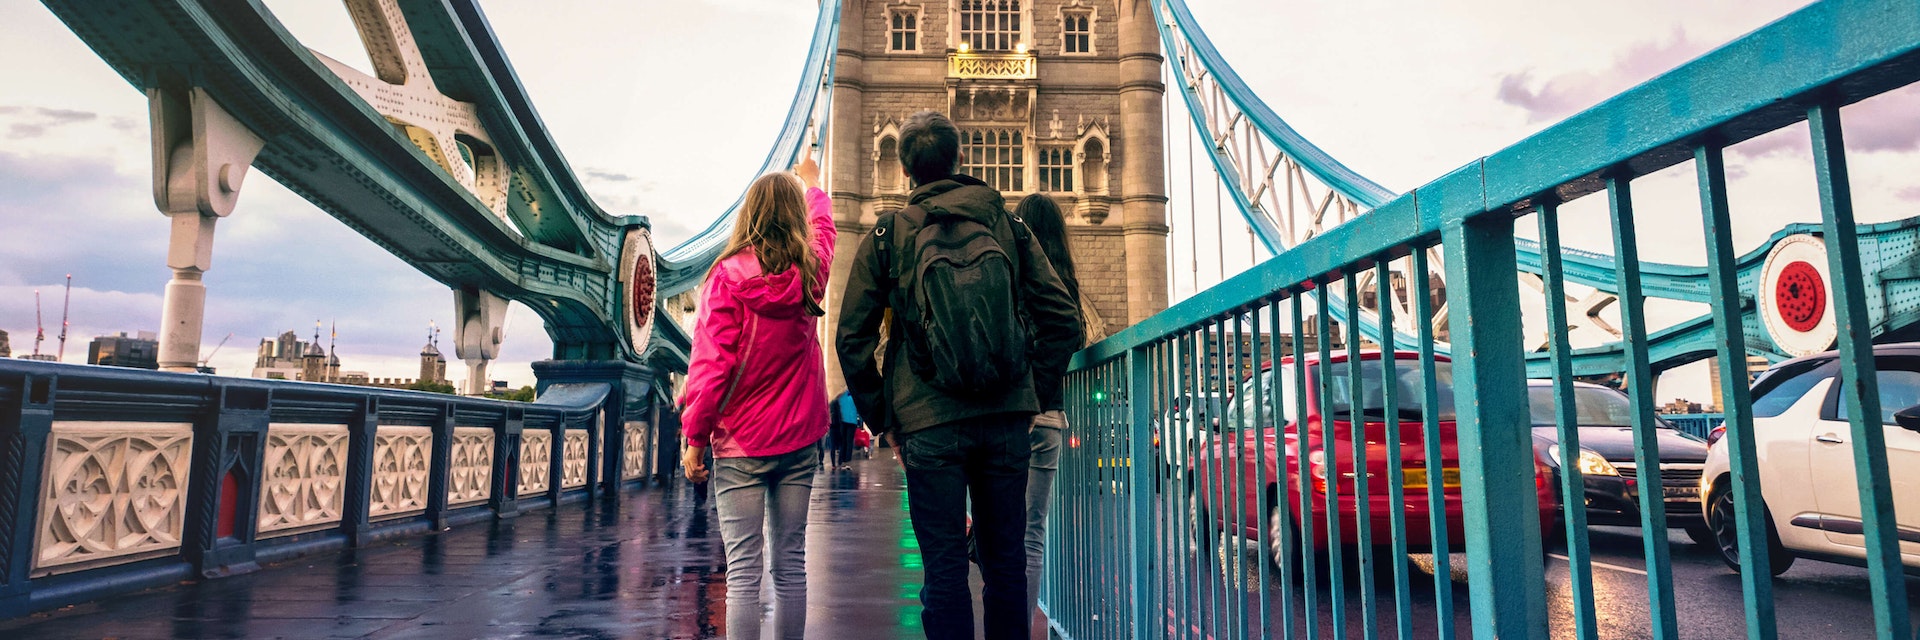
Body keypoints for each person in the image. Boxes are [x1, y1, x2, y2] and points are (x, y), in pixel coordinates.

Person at [836, 110, 1083, 640]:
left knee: (944, 568)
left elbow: (851, 340)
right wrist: (1029, 391)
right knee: (1005, 565)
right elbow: (1063, 320)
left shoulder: (885, 236)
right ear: (961, 159)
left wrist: (886, 417)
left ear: (906, 172)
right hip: (1005, 420)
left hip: (926, 425)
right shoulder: (1008, 225)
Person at [678, 149, 834, 640]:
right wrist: (812, 186)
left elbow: (709, 369)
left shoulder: (724, 281)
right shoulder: (812, 273)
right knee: (791, 566)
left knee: (744, 573)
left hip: (740, 443)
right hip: (798, 439)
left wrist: (694, 439)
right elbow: (825, 232)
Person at [1006, 193, 1105, 625]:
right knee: (1031, 536)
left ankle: (1000, 624)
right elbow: (1071, 335)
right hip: (1046, 418)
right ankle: (1020, 626)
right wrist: (1040, 395)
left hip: (1004, 415)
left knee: (998, 534)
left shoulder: (1007, 273)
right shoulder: (1064, 283)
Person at [831, 390, 860, 469]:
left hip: (842, 422)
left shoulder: (839, 399)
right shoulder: (853, 397)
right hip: (851, 422)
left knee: (843, 441)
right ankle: (847, 460)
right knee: (849, 441)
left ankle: (841, 459)